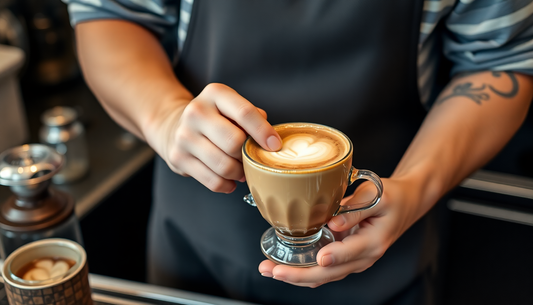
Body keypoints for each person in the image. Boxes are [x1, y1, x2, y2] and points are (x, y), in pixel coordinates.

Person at [63, 0, 533, 304]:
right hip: (194, 252)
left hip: (388, 250)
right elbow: (112, 14)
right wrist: (164, 115)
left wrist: (415, 188)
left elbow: (501, 60)